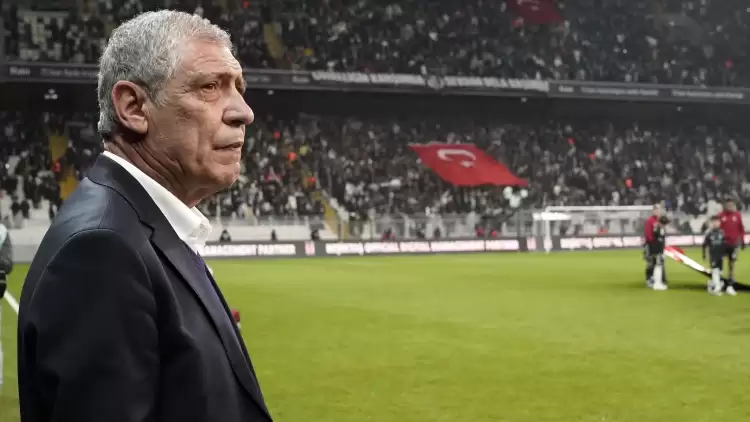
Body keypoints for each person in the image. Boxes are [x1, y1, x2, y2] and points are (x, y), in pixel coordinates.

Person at [18, 11, 271, 422]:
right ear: (133, 107)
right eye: (210, 87)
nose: (244, 112)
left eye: (238, 88)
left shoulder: (141, 225)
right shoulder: (103, 249)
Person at [717, 198, 744, 295]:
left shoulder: (737, 215)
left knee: (731, 264)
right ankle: (718, 281)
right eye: (728, 205)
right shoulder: (720, 215)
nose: (730, 206)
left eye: (731, 205)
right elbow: (717, 229)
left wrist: (742, 241)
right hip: (722, 244)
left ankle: (730, 282)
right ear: (725, 205)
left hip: (733, 244)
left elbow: (741, 229)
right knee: (718, 262)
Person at [643, 204, 668, 288]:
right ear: (653, 211)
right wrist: (653, 243)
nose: (657, 212)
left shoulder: (660, 220)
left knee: (659, 263)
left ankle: (660, 280)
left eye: (658, 210)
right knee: (650, 263)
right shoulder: (649, 221)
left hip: (658, 246)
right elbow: (648, 235)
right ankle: (649, 280)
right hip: (651, 246)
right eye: (656, 210)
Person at [703, 215, 726, 296]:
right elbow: (705, 245)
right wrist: (705, 255)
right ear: (711, 223)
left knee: (720, 271)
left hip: (720, 255)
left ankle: (711, 284)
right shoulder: (709, 233)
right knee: (715, 270)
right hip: (713, 255)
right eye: (714, 222)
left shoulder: (722, 232)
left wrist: (724, 254)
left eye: (717, 222)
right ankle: (717, 288)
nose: (715, 224)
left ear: (719, 223)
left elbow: (724, 244)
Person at [646, 215, 669, 291]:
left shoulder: (655, 227)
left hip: (654, 250)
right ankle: (657, 284)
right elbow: (660, 242)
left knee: (656, 266)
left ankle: (656, 283)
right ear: (664, 223)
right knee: (658, 266)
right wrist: (662, 252)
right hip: (658, 250)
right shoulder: (660, 229)